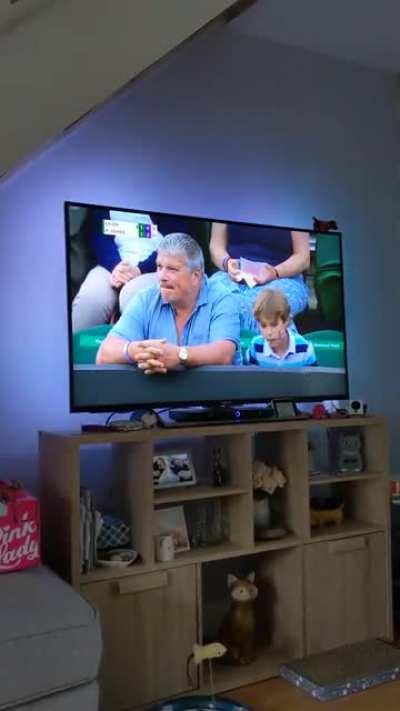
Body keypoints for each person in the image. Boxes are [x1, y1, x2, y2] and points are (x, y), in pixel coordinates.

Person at [96, 232, 241, 373]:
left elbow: (224, 354)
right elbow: (104, 354)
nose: (162, 276)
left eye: (172, 269)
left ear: (195, 276)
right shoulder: (146, 298)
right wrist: (136, 351)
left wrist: (180, 356)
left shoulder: (222, 299)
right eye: (159, 267)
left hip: (211, 394)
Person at [209, 221, 310, 333]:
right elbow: (216, 246)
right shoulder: (223, 204)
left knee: (267, 308)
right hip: (231, 274)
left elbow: (303, 257)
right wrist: (227, 263)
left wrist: (274, 272)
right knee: (211, 300)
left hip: (282, 276)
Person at [71, 209, 162, 332]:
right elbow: (99, 236)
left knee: (133, 298)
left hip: (157, 267)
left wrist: (140, 269)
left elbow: (175, 241)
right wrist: (116, 267)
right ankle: (80, 348)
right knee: (90, 301)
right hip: (112, 265)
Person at [245, 289, 316, 368]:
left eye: (274, 325)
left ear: (286, 321)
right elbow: (250, 378)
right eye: (263, 326)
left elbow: (312, 379)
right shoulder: (255, 347)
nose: (269, 333)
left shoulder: (305, 350)